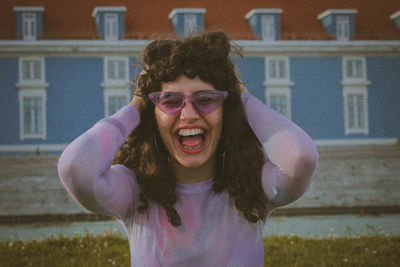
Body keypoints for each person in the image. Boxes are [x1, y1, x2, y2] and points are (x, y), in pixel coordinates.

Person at [58, 31, 318, 267]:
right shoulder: (134, 192)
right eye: (170, 101)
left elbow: (300, 158)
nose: (188, 114)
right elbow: (75, 168)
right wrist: (136, 107)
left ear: (226, 112)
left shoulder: (252, 186)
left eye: (205, 99)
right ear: (153, 115)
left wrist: (241, 98)